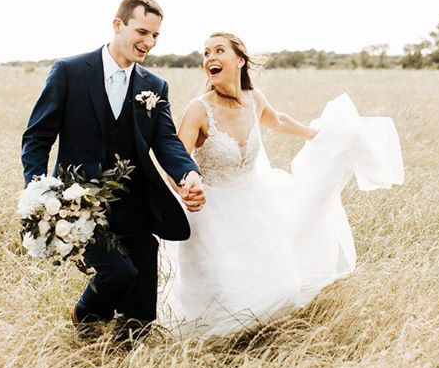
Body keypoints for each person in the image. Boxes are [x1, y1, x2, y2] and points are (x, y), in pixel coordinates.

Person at [158, 32, 404, 338]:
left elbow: (279, 120)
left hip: (253, 207)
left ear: (240, 59)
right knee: (224, 290)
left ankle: (260, 341)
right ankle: (220, 351)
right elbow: (177, 158)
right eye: (206, 53)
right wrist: (186, 186)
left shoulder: (253, 99)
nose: (209, 58)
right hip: (211, 213)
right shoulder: (199, 108)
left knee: (282, 285)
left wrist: (318, 136)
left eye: (219, 50)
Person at [21, 0, 205, 339]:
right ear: (118, 25)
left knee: (143, 301)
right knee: (118, 274)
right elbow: (37, 137)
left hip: (134, 203)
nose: (148, 42)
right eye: (142, 32)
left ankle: (128, 352)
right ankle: (85, 317)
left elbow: (166, 141)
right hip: (80, 203)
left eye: (155, 36)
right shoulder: (70, 72)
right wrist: (38, 192)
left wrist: (188, 174)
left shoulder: (154, 86)